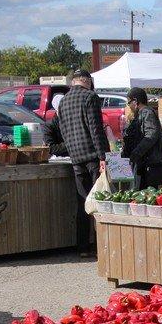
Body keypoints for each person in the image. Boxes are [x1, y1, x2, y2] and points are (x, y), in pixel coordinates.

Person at [57, 69, 109, 256]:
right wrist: (104, 156)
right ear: (86, 81)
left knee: (82, 202)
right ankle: (101, 246)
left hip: (76, 158)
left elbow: (63, 130)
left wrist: (71, 151)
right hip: (93, 156)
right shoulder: (90, 97)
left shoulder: (63, 101)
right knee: (99, 200)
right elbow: (95, 129)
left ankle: (83, 248)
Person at [123, 87, 162, 190]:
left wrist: (136, 153)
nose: (129, 106)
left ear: (135, 101)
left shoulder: (147, 113)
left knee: (147, 196)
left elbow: (151, 135)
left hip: (149, 165)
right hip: (143, 163)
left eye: (129, 102)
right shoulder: (140, 114)